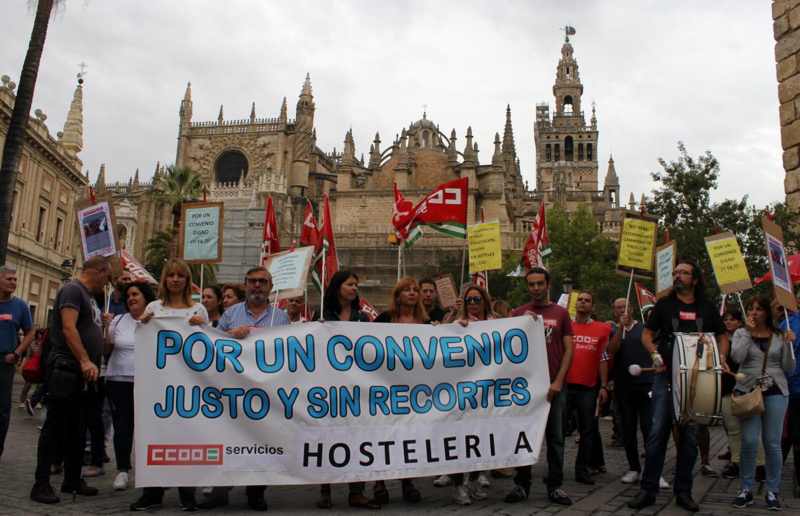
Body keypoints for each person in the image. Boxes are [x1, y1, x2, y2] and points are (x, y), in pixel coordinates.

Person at [628, 259, 727, 513]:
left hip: (697, 379)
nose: (677, 276)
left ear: (695, 279)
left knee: (689, 437)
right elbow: (647, 335)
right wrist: (654, 354)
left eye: (683, 272)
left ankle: (683, 491)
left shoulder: (706, 307)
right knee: (656, 433)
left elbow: (722, 335)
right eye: (675, 272)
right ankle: (648, 490)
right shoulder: (664, 305)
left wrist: (721, 358)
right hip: (665, 376)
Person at [199, 266, 288, 512]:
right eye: (252, 282)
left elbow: (289, 352)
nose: (257, 286)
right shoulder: (230, 314)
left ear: (270, 287)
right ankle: (220, 491)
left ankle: (256, 492)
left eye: (262, 282)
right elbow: (212, 345)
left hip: (266, 392)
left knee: (262, 441)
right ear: (246, 285)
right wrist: (230, 334)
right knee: (227, 438)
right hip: (233, 391)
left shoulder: (280, 317)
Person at [30, 256, 111, 504]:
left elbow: (88, 330)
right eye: (107, 276)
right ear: (99, 271)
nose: (107, 282)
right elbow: (68, 328)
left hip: (82, 374)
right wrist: (85, 360)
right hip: (67, 368)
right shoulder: (72, 290)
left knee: (77, 429)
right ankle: (41, 484)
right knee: (54, 428)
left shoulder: (88, 297)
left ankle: (72, 479)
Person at [130, 259, 208, 512]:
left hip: (188, 389)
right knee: (153, 437)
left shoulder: (198, 309)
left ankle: (188, 493)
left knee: (188, 440)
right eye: (171, 275)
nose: (175, 280)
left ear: (187, 281)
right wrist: (144, 323)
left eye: (180, 276)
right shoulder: (153, 307)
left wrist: (202, 327)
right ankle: (151, 494)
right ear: (164, 280)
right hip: (158, 388)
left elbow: (210, 346)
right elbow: (143, 340)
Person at [505, 267, 574, 506]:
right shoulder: (518, 313)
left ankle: (555, 486)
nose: (535, 288)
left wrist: (558, 381)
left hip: (554, 387)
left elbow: (569, 350)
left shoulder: (561, 314)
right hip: (527, 389)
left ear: (548, 284)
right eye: (531, 284)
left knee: (555, 438)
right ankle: (521, 485)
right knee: (524, 437)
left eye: (539, 284)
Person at [315, 271, 380, 510]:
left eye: (356, 285)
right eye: (350, 284)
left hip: (356, 387)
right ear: (338, 287)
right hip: (328, 385)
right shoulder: (322, 315)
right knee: (327, 436)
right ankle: (325, 489)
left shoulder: (362, 318)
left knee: (358, 437)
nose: (354, 288)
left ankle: (357, 491)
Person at [730, 295, 796, 511]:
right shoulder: (740, 333)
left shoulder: (778, 334)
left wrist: (789, 345)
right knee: (749, 441)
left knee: (773, 443)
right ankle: (746, 489)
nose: (753, 313)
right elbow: (737, 358)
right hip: (748, 390)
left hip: (776, 390)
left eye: (758, 309)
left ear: (766, 312)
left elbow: (789, 368)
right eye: (750, 309)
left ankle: (772, 490)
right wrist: (748, 333)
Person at [371, 277, 427, 504]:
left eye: (415, 290)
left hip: (413, 389)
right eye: (407, 290)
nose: (412, 293)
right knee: (383, 434)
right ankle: (379, 483)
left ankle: (407, 481)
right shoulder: (384, 319)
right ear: (398, 295)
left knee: (408, 436)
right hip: (386, 386)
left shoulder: (425, 322)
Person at [606, 304, 669, 487]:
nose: (621, 310)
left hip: (647, 384)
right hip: (624, 388)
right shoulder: (614, 330)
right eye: (617, 308)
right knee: (627, 429)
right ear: (614, 312)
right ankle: (634, 468)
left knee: (650, 429)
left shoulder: (644, 329)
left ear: (631, 309)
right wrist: (620, 328)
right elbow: (611, 350)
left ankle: (654, 472)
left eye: (624, 307)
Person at [443, 284, 493, 505]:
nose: (473, 304)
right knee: (459, 439)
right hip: (459, 393)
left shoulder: (496, 325)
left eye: (477, 299)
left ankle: (473, 480)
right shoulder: (457, 325)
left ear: (485, 301)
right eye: (469, 300)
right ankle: (458, 485)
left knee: (478, 440)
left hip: (485, 393)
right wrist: (451, 327)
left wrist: (531, 321)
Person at [105, 282, 156, 491]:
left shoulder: (157, 321)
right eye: (128, 295)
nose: (131, 298)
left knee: (148, 428)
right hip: (118, 381)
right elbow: (106, 348)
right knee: (122, 427)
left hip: (148, 382)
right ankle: (123, 470)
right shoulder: (118, 320)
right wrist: (106, 329)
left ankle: (149, 470)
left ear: (146, 297)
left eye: (135, 294)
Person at [565, 291, 610, 485]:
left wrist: (604, 386)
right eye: (580, 300)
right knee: (558, 429)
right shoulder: (566, 326)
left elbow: (604, 358)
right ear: (575, 304)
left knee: (588, 430)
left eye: (587, 300)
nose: (583, 302)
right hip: (565, 386)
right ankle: (555, 469)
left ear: (593, 307)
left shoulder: (603, 329)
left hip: (589, 387)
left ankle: (582, 469)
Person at [719, 309, 765, 480]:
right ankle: (736, 463)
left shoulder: (749, 337)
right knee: (733, 430)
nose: (728, 322)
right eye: (725, 319)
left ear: (740, 322)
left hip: (745, 389)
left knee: (751, 431)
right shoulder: (720, 340)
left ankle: (761, 465)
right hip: (726, 389)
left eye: (732, 319)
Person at [0, 265, 34, 459]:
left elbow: (30, 332)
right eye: (9, 279)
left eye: (15, 279)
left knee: (3, 409)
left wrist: (18, 352)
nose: (13, 282)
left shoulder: (20, 306)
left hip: (5, 362)